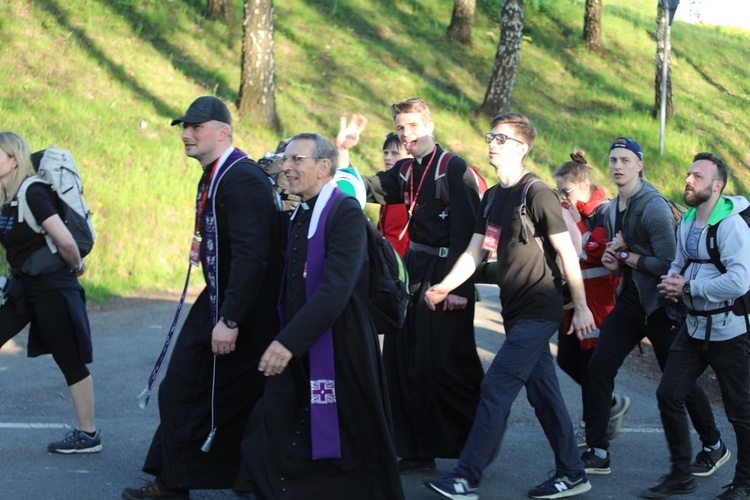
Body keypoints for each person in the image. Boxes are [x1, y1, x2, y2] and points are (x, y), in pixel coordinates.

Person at [424, 113, 596, 499]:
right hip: (515, 311)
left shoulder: (537, 193)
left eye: (500, 138)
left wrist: (581, 307)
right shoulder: (492, 197)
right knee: (544, 395)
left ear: (521, 148)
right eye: (491, 136)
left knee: (496, 387)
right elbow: (475, 251)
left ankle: (466, 477)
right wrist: (445, 285)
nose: (492, 143)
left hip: (540, 308)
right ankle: (572, 472)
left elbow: (566, 253)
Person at [122, 96, 282, 500]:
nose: (187, 134)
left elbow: (252, 257)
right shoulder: (216, 174)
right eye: (184, 127)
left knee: (182, 387)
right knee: (212, 391)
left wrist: (229, 320)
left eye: (196, 127)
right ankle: (189, 477)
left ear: (223, 132)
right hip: (225, 299)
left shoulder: (241, 178)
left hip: (241, 307)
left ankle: (175, 483)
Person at [234, 133, 404, 499]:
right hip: (303, 341)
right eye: (286, 159)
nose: (287, 167)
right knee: (272, 419)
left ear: (324, 167)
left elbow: (335, 289)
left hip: (341, 346)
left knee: (353, 440)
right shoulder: (303, 209)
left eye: (297, 160)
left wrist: (287, 343)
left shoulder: (344, 212)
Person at [581, 137, 721, 477]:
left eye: (625, 160)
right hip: (631, 305)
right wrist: (616, 260)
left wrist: (627, 256)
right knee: (598, 369)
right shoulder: (613, 208)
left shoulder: (653, 207)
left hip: (662, 308)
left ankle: (714, 444)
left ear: (639, 165)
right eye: (613, 159)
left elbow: (668, 263)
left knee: (680, 383)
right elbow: (620, 265)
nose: (617, 166)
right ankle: (598, 451)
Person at [361, 97, 484, 473]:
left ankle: (476, 441)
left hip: (446, 272)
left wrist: (458, 290)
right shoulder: (406, 170)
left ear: (429, 126)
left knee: (442, 363)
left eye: (413, 126)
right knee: (402, 359)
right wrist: (338, 158)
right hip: (413, 268)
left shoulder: (453, 168)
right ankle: (414, 450)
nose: (406, 134)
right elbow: (368, 186)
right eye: (401, 128)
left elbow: (471, 232)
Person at [642, 153, 750, 500]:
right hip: (693, 328)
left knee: (740, 411)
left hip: (730, 331)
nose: (689, 180)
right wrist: (672, 280)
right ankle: (679, 475)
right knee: (669, 393)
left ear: (717, 186)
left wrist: (688, 288)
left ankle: (745, 483)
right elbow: (679, 262)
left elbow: (739, 281)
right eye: (689, 174)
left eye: (699, 177)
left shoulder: (731, 225)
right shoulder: (688, 220)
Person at [0, 131, 100, 454]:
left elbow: (66, 241)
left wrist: (76, 266)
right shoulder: (5, 199)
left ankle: (88, 434)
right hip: (24, 287)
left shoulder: (33, 193)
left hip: (53, 286)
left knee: (68, 358)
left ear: (13, 160)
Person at [553, 151, 628, 448]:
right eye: (558, 190)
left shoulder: (605, 211)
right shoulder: (575, 211)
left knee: (590, 368)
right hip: (575, 302)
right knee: (567, 359)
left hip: (599, 304)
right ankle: (608, 404)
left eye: (566, 190)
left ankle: (594, 430)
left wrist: (572, 226)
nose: (562, 196)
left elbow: (590, 249)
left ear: (583, 185)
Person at [378, 132, 411, 257]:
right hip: (384, 261)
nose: (387, 157)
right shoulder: (385, 184)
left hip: (404, 265)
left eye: (395, 153)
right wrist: (343, 150)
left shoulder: (413, 189)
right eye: (385, 152)